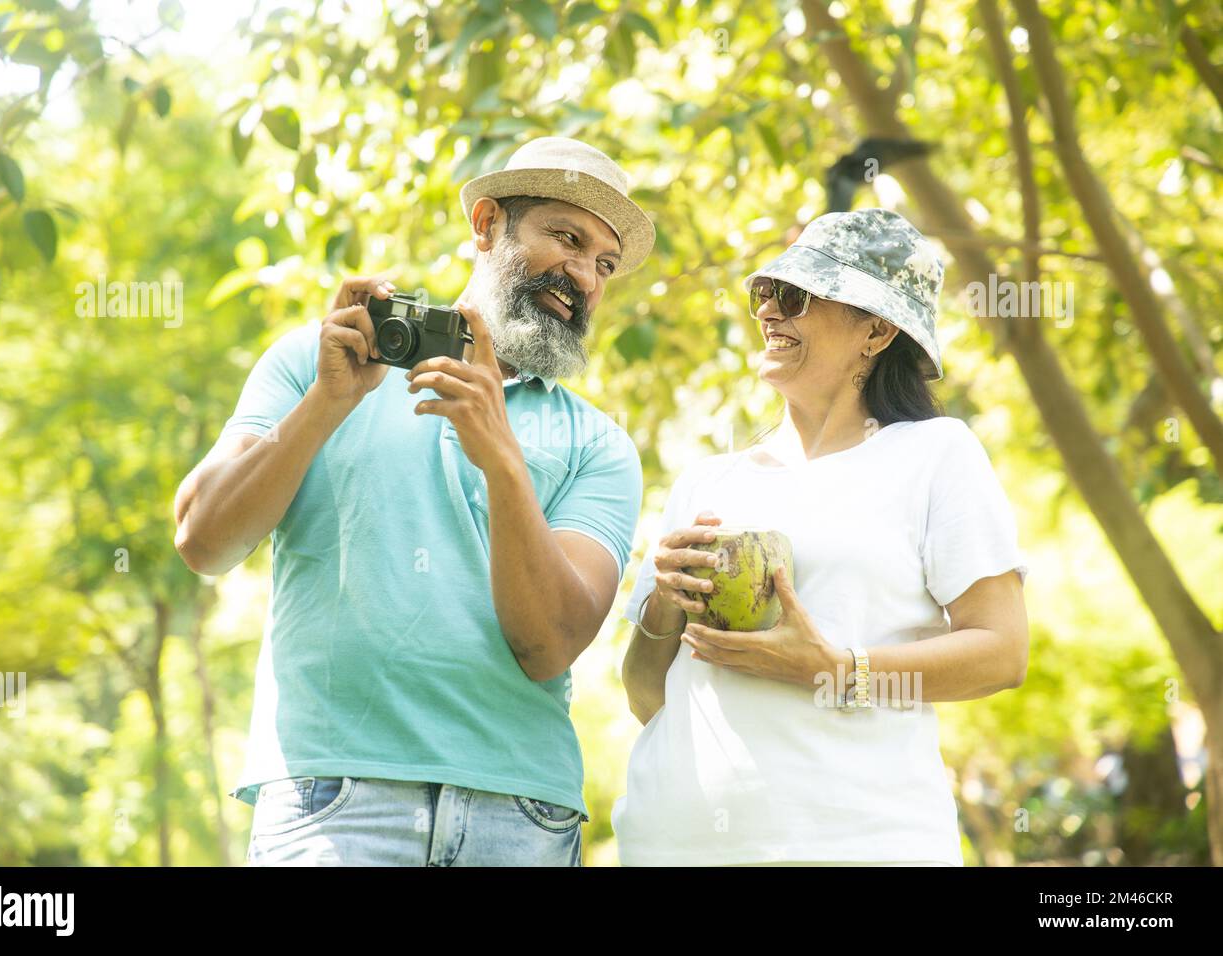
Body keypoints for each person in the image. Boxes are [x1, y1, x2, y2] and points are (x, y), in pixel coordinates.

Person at [173, 136, 655, 866]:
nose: (585, 275)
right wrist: (327, 404)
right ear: (488, 224)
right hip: (330, 802)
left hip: (520, 814)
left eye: (605, 263)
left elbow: (550, 643)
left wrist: (500, 459)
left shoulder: (601, 445)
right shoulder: (323, 359)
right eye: (566, 237)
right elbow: (203, 540)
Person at [614, 208, 1030, 866]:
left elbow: (1003, 652)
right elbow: (646, 696)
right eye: (765, 295)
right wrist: (665, 604)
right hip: (673, 848)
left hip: (859, 846)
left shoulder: (935, 455)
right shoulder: (705, 482)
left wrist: (835, 671)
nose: (770, 314)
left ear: (877, 328)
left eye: (796, 297)